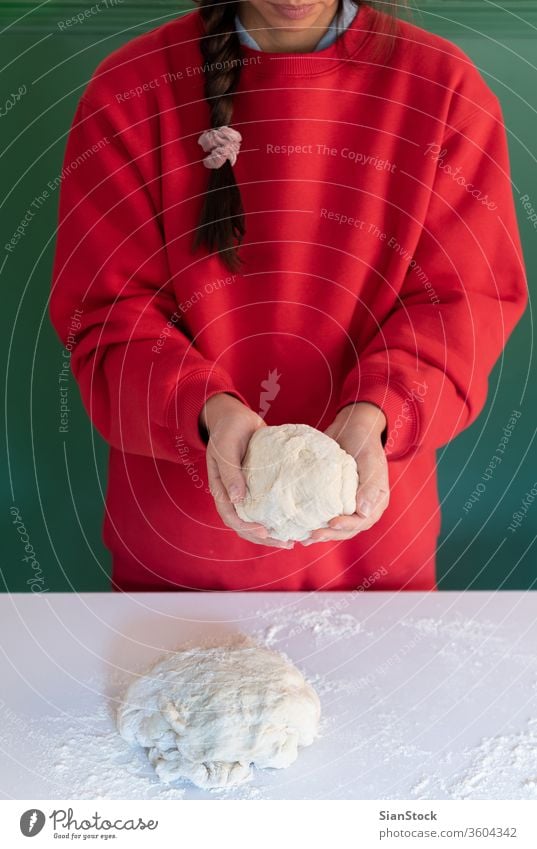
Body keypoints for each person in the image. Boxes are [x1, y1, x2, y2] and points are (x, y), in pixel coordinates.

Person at [49, 0, 528, 592]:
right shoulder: (133, 87)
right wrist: (205, 412)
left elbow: (464, 304)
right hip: (184, 562)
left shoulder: (442, 86)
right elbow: (107, 316)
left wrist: (381, 411)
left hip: (370, 559)